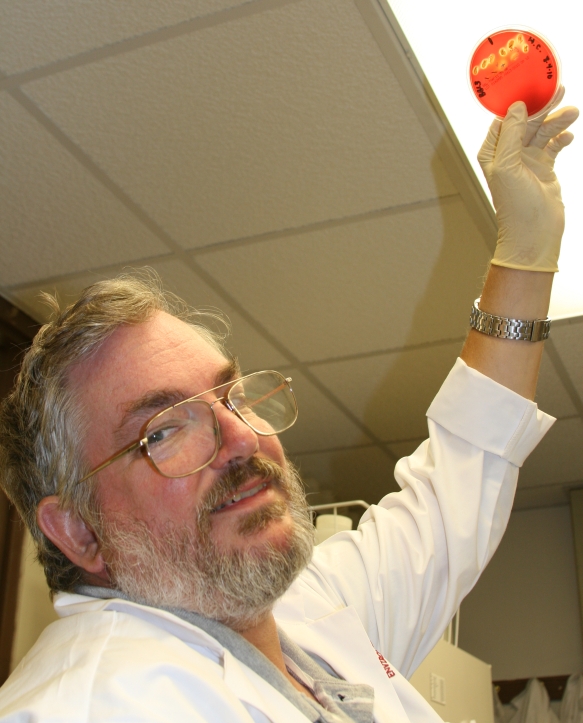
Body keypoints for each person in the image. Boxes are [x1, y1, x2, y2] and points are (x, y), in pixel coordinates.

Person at [0, 97, 578, 723]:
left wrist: (526, 255)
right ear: (79, 530)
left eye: (233, 397)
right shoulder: (99, 704)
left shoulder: (307, 612)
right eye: (164, 430)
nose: (242, 439)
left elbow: (458, 486)